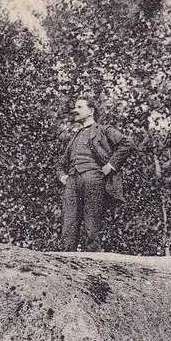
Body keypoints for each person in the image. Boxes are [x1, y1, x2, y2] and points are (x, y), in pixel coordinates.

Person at [57, 96, 135, 252]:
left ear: (91, 111)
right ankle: (65, 261)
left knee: (92, 221)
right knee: (69, 221)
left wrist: (111, 165)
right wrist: (62, 176)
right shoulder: (75, 136)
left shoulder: (103, 130)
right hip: (72, 180)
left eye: (79, 107)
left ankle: (93, 260)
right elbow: (61, 163)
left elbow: (127, 143)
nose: (75, 110)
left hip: (93, 177)